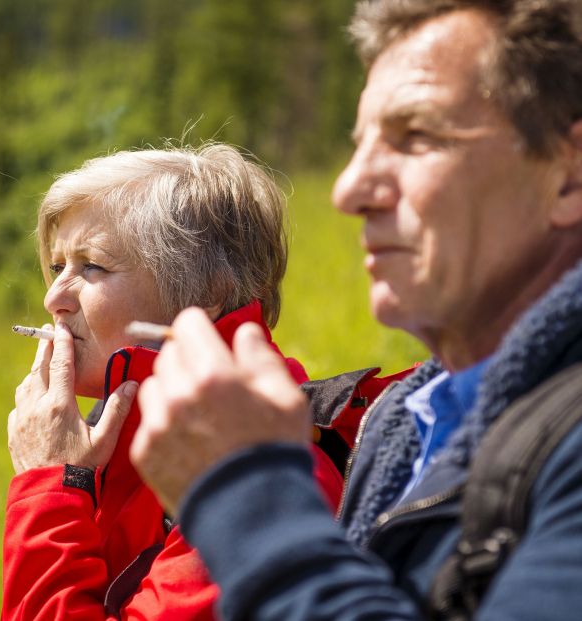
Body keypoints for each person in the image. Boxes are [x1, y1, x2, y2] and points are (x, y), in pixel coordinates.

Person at [129, 1, 582, 619]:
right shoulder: (401, 419)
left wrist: (249, 494)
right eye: (361, 142)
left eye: (416, 137)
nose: (349, 190)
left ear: (567, 175)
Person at [2, 143, 401, 620]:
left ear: (206, 293)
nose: (54, 298)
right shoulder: (109, 436)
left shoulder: (261, 464)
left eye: (92, 266)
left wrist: (47, 489)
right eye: (56, 267)